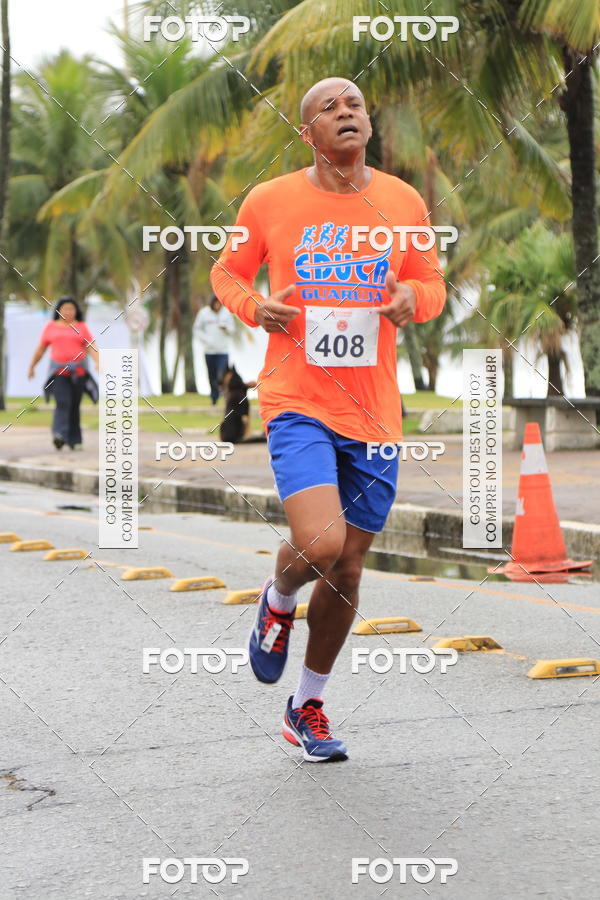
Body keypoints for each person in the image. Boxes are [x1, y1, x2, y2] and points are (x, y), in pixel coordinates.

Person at [211, 77, 446, 762]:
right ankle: (278, 595)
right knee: (319, 545)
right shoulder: (269, 200)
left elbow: (429, 283)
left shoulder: (402, 200)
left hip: (374, 412)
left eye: (357, 105)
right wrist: (260, 309)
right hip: (297, 401)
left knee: (347, 570)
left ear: (368, 124)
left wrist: (412, 300)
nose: (347, 112)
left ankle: (306, 704)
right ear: (308, 132)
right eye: (330, 108)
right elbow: (226, 274)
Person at [28, 297, 99, 450]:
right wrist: (32, 366)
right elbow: (41, 350)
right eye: (65, 308)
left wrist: (98, 361)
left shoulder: (82, 326)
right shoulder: (50, 327)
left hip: (78, 373)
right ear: (59, 310)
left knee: (75, 405)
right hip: (59, 374)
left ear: (76, 311)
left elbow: (91, 346)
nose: (68, 311)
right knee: (63, 403)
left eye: (71, 308)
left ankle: (75, 440)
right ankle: (59, 434)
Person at [194, 295, 234, 404]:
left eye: (219, 303)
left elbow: (232, 329)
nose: (217, 306)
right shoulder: (204, 313)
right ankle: (214, 398)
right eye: (216, 303)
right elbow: (197, 329)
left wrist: (225, 328)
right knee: (212, 376)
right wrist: (206, 340)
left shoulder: (226, 313)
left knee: (222, 375)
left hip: (223, 351)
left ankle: (225, 396)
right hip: (209, 351)